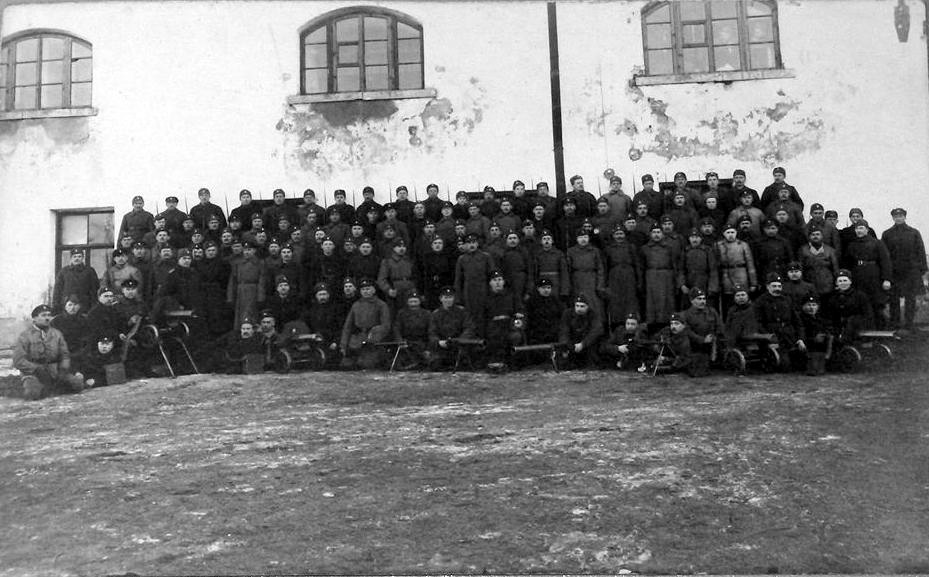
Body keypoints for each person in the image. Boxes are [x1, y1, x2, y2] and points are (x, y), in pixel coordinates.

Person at [13, 304, 85, 400]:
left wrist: (63, 369)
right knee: (32, 393)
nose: (47, 318)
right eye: (43, 315)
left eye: (49, 315)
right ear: (34, 319)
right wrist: (36, 369)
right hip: (33, 373)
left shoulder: (57, 334)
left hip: (54, 371)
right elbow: (18, 360)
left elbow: (65, 355)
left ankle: (50, 387)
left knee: (78, 385)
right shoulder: (25, 336)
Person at [881, 207, 928, 329]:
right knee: (894, 299)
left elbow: (921, 252)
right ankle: (895, 323)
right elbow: (884, 255)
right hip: (894, 272)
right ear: (893, 218)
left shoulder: (914, 233)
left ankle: (909, 324)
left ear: (905, 217)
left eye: (901, 216)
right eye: (896, 216)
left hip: (911, 272)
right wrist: (886, 273)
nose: (898, 218)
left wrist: (922, 270)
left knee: (910, 299)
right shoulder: (887, 234)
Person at [843, 219, 893, 328]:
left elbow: (885, 261)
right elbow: (847, 263)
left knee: (876, 304)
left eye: (861, 228)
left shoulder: (877, 243)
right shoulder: (852, 245)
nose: (859, 231)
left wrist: (887, 279)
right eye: (857, 228)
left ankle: (880, 329)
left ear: (867, 229)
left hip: (873, 276)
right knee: (860, 303)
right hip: (858, 277)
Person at [753, 273, 804, 369]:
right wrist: (768, 336)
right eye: (774, 286)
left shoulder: (787, 300)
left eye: (779, 286)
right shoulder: (760, 302)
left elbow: (797, 321)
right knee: (784, 365)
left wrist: (800, 338)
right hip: (772, 337)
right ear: (768, 287)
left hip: (788, 335)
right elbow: (757, 323)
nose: (777, 289)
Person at [340, 278, 391, 369]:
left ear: (374, 290)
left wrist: (374, 334)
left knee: (366, 364)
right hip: (357, 340)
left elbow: (386, 325)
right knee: (346, 365)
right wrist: (343, 344)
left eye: (368, 289)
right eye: (363, 289)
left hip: (373, 342)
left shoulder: (381, 305)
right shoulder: (356, 305)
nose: (365, 291)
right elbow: (347, 327)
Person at [428, 287, 477, 370]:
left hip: (459, 345)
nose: (448, 300)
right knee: (435, 364)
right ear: (441, 299)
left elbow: (469, 328)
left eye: (450, 297)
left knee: (463, 364)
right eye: (446, 298)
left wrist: (460, 340)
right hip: (442, 346)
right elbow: (432, 332)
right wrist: (438, 342)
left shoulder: (462, 312)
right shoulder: (435, 314)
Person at [640, 224, 679, 329]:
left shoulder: (669, 248)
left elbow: (674, 265)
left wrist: (676, 281)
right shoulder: (645, 248)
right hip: (651, 277)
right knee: (652, 303)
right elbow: (641, 267)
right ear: (650, 234)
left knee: (667, 302)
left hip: (666, 277)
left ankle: (667, 325)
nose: (656, 235)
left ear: (662, 234)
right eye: (654, 232)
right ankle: (653, 326)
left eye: (658, 232)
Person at [681, 287, 724, 376]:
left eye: (704, 299)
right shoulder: (685, 315)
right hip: (695, 345)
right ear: (692, 301)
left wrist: (713, 336)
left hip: (712, 343)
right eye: (699, 299)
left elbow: (719, 326)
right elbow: (687, 332)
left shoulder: (712, 311)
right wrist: (702, 339)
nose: (702, 301)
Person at [557, 294, 604, 369]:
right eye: (577, 306)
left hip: (587, 345)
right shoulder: (567, 314)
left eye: (582, 306)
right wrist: (566, 345)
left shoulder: (593, 315)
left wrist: (583, 344)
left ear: (587, 307)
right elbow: (564, 331)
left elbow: (597, 330)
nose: (579, 309)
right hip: (572, 344)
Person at [53, 248, 100, 313]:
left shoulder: (89, 271)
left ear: (83, 258)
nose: (77, 258)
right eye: (74, 256)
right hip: (67, 305)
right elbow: (57, 290)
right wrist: (56, 306)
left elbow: (94, 289)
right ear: (71, 258)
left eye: (79, 256)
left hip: (85, 305)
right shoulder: (64, 271)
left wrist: (93, 305)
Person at [392, 291, 431, 368]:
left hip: (422, 343)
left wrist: (428, 348)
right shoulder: (401, 313)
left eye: (415, 301)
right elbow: (396, 328)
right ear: (407, 302)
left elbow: (431, 331)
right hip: (406, 343)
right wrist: (400, 341)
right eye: (411, 302)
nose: (413, 304)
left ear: (420, 302)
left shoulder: (427, 314)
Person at [797, 295, 832, 376]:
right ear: (803, 306)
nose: (811, 307)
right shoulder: (799, 318)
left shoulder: (821, 318)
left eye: (814, 305)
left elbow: (827, 329)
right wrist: (813, 339)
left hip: (822, 345)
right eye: (808, 305)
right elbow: (800, 332)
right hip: (806, 345)